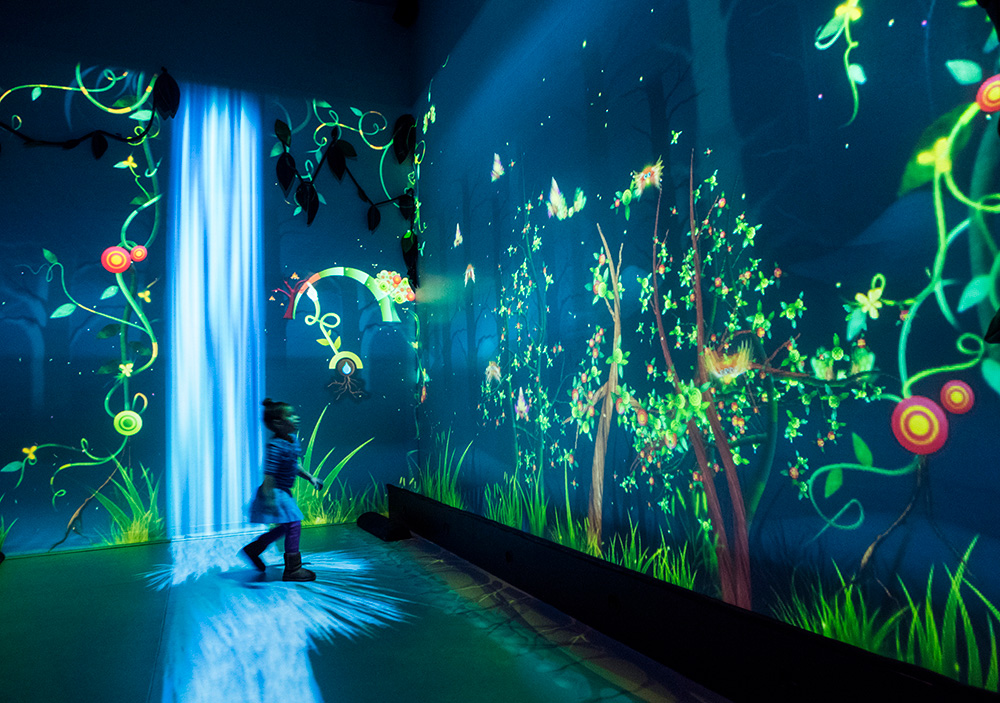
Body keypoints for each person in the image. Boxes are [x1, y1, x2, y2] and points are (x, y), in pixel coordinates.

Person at [241, 399, 324, 581]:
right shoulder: (275, 446)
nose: (296, 417)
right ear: (278, 423)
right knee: (294, 524)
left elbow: (294, 465)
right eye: (290, 415)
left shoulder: (291, 441)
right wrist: (269, 498)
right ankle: (293, 570)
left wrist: (311, 477)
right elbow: (269, 474)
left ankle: (254, 549)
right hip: (275, 491)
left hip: (283, 491)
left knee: (287, 527)